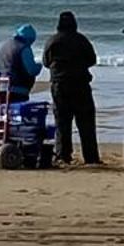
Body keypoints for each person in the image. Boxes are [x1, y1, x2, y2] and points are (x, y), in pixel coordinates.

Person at [41, 10, 102, 165]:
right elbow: (92, 59)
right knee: (86, 123)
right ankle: (91, 157)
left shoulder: (52, 41)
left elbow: (46, 62)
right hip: (80, 85)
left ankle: (63, 155)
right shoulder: (81, 40)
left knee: (62, 122)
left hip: (59, 85)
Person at [0, 22, 40, 103]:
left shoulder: (4, 46)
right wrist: (39, 66)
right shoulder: (24, 48)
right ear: (29, 39)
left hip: (2, 87)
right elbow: (31, 70)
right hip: (18, 89)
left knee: (6, 112)